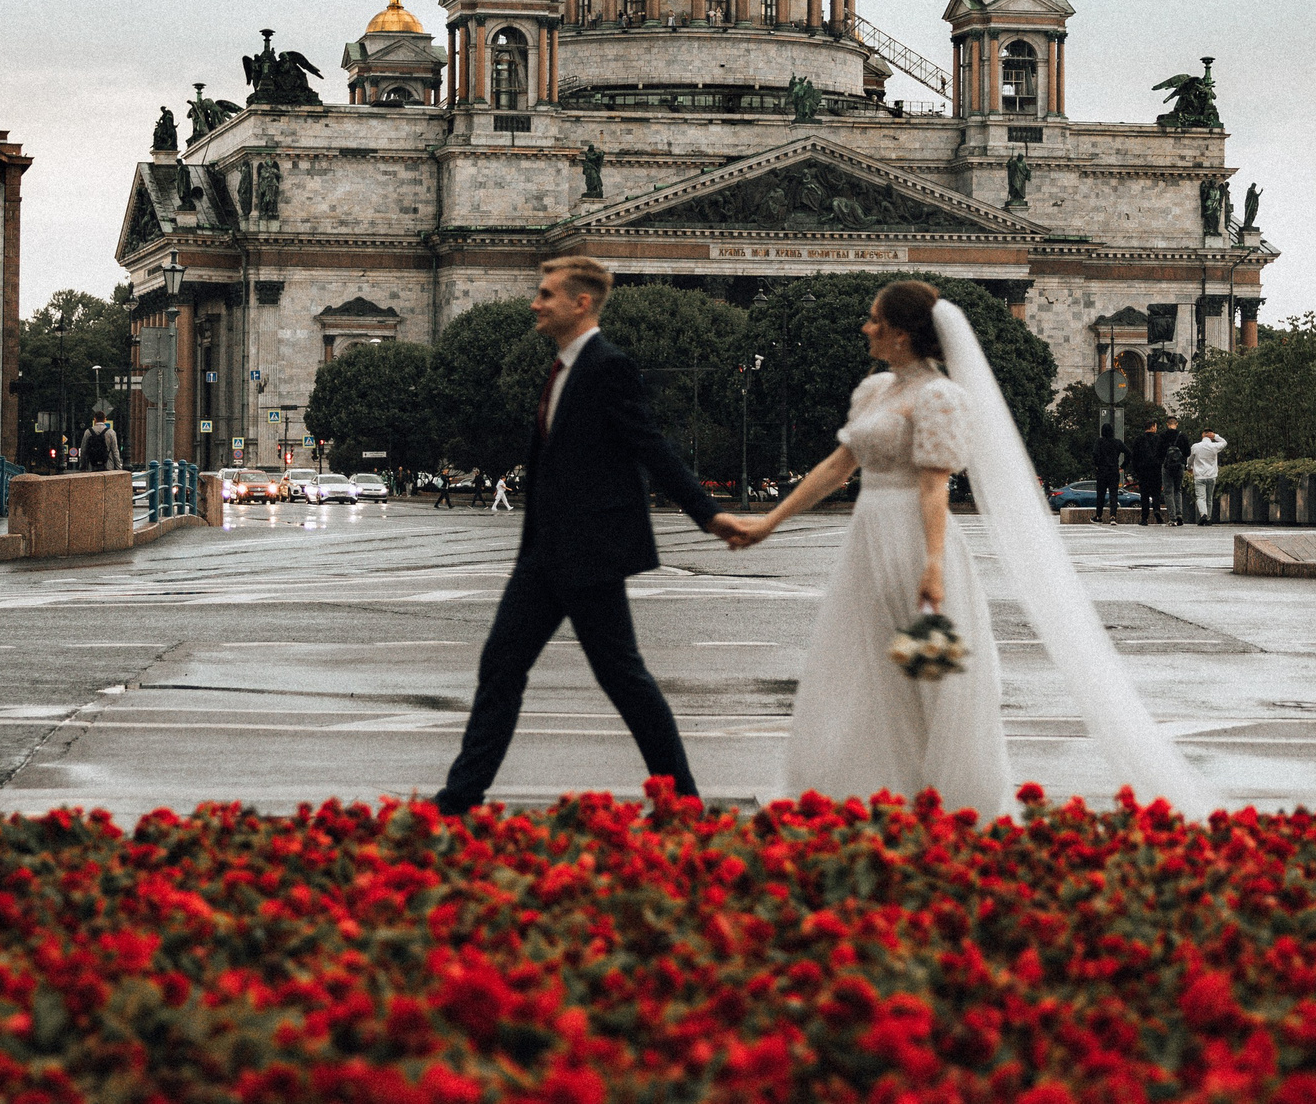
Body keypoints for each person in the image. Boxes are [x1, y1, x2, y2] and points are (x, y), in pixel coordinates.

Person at [720, 281, 1211, 816]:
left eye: (874, 320)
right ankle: (868, 792)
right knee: (862, 669)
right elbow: (838, 468)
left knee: (925, 677)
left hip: (914, 539)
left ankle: (941, 801)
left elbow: (934, 488)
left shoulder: (941, 397)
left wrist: (932, 566)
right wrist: (769, 521)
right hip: (867, 537)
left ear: (902, 334)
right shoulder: (873, 392)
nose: (866, 328)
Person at [433, 256, 732, 816]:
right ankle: (458, 798)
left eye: (546, 294)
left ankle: (684, 802)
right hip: (547, 553)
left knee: (624, 679)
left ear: (581, 303)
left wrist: (709, 516)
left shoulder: (606, 366)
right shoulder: (563, 367)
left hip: (590, 554)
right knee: (503, 668)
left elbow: (650, 447)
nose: (535, 303)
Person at [1128, 421, 1166, 526]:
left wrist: (1136, 471)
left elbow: (1134, 456)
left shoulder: (1139, 440)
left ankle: (1144, 518)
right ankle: (1157, 511)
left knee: (1144, 495)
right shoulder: (1159, 439)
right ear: (1153, 427)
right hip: (1156, 470)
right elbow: (1163, 455)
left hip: (1143, 471)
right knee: (1156, 493)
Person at [1188, 429, 1226, 524]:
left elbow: (1190, 459)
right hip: (1211, 475)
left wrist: (1189, 467)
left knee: (1201, 497)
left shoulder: (1195, 446)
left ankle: (1203, 514)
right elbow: (1224, 442)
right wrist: (1216, 436)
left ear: (1202, 435)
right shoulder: (1214, 446)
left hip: (1199, 476)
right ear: (1210, 435)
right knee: (1209, 497)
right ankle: (1208, 518)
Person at [1090, 421, 1125, 523]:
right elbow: (1128, 453)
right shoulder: (1117, 442)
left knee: (1101, 494)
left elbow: (1095, 454)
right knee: (1113, 494)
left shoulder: (1099, 442)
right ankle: (1113, 516)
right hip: (1114, 471)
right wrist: (1122, 466)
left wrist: (1096, 465)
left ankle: (1098, 516)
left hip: (1102, 471)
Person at [1160, 419, 1192, 526]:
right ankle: (1179, 515)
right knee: (1178, 490)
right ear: (1176, 424)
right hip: (1179, 466)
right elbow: (1188, 452)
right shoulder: (1182, 436)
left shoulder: (1163, 436)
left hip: (1167, 466)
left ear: (1167, 424)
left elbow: (1158, 451)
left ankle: (1172, 518)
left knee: (1168, 491)